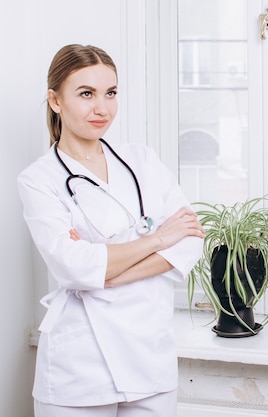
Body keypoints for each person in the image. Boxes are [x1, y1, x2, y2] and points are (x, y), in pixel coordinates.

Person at [17, 44, 205, 417]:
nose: (102, 108)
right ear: (55, 101)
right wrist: (157, 239)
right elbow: (73, 266)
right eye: (86, 94)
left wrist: (108, 270)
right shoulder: (40, 179)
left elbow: (189, 240)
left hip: (150, 355)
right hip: (80, 365)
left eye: (111, 93)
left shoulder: (142, 161)